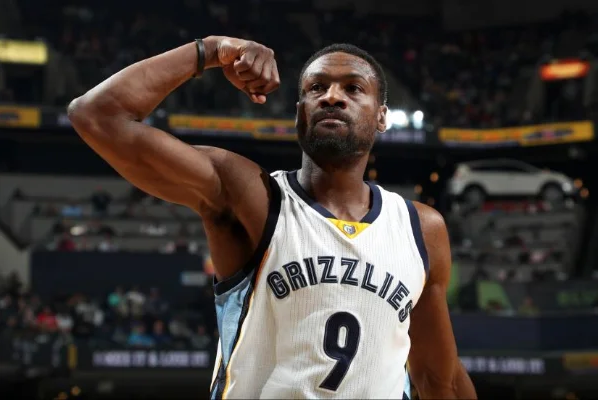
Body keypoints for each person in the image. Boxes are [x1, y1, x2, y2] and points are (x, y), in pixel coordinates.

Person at [68, 36, 476, 399]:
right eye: (317, 88)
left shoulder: (421, 229)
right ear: (299, 112)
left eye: (353, 88)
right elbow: (97, 115)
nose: (332, 97)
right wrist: (210, 50)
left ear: (382, 116)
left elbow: (439, 380)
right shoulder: (253, 197)